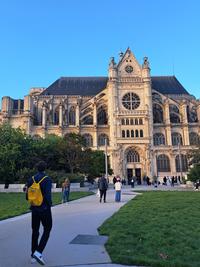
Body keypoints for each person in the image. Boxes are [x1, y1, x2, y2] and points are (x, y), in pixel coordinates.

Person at [26, 161, 52, 265]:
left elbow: (27, 195)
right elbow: (47, 195)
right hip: (44, 209)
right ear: (45, 168)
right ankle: (39, 252)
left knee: (35, 231)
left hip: (34, 208)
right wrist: (49, 204)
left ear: (37, 168)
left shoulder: (31, 179)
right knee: (47, 228)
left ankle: (33, 255)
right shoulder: (47, 179)